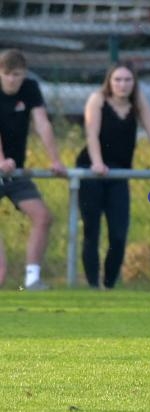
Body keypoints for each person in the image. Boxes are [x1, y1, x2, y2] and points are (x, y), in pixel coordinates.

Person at [76, 62, 150, 289]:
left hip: (119, 173)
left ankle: (109, 285)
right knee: (91, 231)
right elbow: (91, 134)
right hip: (93, 172)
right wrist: (98, 163)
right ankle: (93, 286)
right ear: (109, 82)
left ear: (134, 83)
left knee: (118, 234)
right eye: (118, 80)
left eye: (127, 80)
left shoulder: (137, 104)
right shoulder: (97, 100)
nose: (122, 85)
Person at [0, 49, 66, 290]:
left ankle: (32, 277)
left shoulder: (30, 88)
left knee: (43, 216)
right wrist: (1, 160)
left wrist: (55, 160)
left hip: (14, 172)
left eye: (16, 74)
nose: (11, 80)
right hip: (2, 166)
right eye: (6, 74)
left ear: (24, 73)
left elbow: (42, 123)